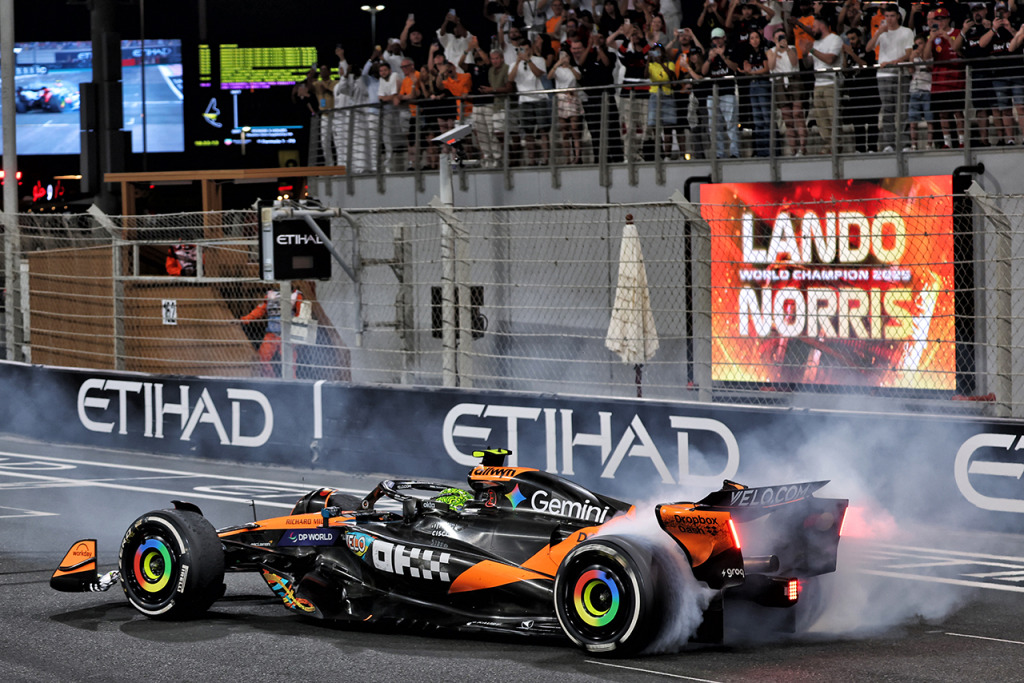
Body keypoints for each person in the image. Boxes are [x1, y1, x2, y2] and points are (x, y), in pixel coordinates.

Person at [865, 4, 914, 152]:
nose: (889, 19)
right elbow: (868, 48)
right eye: (887, 16)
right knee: (887, 110)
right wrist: (878, 33)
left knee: (903, 109)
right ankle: (889, 144)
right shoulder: (881, 32)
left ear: (898, 16)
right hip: (884, 75)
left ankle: (905, 143)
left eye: (892, 16)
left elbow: (909, 53)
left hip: (901, 73)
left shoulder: (906, 31)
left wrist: (895, 62)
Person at [570, 34, 624, 162]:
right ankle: (599, 158)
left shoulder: (610, 54)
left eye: (600, 37)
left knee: (612, 129)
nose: (597, 40)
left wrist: (599, 47)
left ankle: (616, 158)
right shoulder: (590, 55)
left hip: (607, 96)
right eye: (596, 38)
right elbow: (580, 63)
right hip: (592, 98)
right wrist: (589, 45)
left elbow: (607, 64)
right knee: (595, 130)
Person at [240, 287, 304, 378]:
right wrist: (245, 319)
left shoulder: (296, 296)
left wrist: (298, 335)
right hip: (271, 334)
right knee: (262, 359)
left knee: (289, 362)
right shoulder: (270, 296)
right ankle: (270, 380)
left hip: (287, 335)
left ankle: (291, 381)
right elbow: (261, 309)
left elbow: (300, 316)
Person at [925, 7, 965, 149]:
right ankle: (947, 142)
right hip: (939, 81)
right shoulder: (933, 36)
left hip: (955, 79)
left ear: (948, 19)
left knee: (958, 112)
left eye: (942, 18)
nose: (940, 22)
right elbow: (926, 57)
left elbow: (960, 53)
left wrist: (947, 37)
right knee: (942, 113)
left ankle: (962, 141)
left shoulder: (957, 33)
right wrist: (931, 39)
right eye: (937, 19)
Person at [509, 42, 551, 165]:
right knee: (528, 132)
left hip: (539, 98)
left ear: (531, 49)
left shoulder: (539, 60)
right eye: (521, 50)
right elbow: (510, 79)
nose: (524, 52)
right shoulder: (513, 64)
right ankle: (531, 160)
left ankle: (546, 159)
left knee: (543, 130)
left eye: (526, 49)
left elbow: (538, 74)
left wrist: (528, 60)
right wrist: (518, 62)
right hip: (524, 100)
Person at [702, 26, 741, 158]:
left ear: (724, 38)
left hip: (728, 91)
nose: (716, 41)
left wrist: (723, 56)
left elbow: (735, 67)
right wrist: (709, 58)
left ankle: (735, 152)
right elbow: (703, 72)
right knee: (714, 125)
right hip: (712, 93)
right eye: (714, 39)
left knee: (731, 123)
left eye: (718, 38)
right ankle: (719, 153)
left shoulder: (731, 50)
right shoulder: (709, 52)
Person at [767, 27, 807, 155]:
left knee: (797, 114)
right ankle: (793, 149)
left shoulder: (792, 48)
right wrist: (777, 50)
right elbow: (771, 66)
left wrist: (787, 48)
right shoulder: (770, 51)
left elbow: (794, 63)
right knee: (787, 118)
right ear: (774, 39)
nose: (781, 39)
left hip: (793, 80)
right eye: (778, 38)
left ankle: (802, 147)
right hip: (779, 82)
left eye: (783, 37)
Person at [807, 10, 843, 154]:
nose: (812, 29)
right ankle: (828, 144)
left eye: (814, 26)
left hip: (831, 83)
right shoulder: (815, 42)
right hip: (818, 84)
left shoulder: (835, 39)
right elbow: (809, 63)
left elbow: (830, 59)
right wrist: (804, 52)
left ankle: (836, 144)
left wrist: (812, 51)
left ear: (822, 26)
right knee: (821, 117)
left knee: (832, 115)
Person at [843, 27, 880, 154]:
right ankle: (860, 148)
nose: (851, 42)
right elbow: (845, 71)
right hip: (855, 92)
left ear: (859, 37)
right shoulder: (849, 54)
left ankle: (872, 148)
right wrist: (845, 55)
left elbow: (866, 66)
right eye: (849, 39)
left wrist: (852, 54)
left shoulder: (868, 50)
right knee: (857, 122)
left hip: (869, 91)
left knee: (872, 121)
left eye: (853, 38)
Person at [548, 50, 584, 163]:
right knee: (564, 131)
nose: (564, 58)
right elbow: (549, 76)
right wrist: (557, 64)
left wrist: (570, 67)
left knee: (575, 129)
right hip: (561, 99)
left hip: (572, 98)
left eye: (566, 56)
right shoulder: (557, 70)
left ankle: (577, 157)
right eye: (562, 56)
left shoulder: (575, 68)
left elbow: (579, 77)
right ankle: (567, 158)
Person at [742, 29, 770, 157]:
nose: (754, 40)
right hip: (753, 85)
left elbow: (766, 69)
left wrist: (752, 72)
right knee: (757, 120)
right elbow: (746, 69)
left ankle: (770, 149)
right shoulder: (749, 54)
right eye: (752, 38)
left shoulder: (764, 51)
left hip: (763, 84)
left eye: (756, 37)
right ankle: (761, 151)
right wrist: (748, 71)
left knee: (766, 117)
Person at [906, 34, 934, 151]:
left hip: (927, 90)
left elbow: (930, 68)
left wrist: (922, 57)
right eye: (916, 44)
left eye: (920, 43)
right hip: (914, 90)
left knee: (929, 119)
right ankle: (914, 145)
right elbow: (910, 71)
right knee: (913, 120)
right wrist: (911, 59)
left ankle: (929, 144)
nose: (918, 46)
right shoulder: (914, 56)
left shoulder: (930, 56)